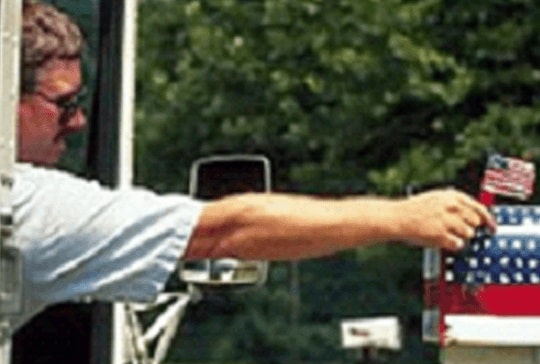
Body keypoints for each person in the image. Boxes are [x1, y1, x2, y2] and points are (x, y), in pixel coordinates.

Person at [11, 1, 495, 332]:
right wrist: (402, 219)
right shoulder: (22, 206)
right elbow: (225, 230)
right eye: (65, 103)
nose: (78, 122)